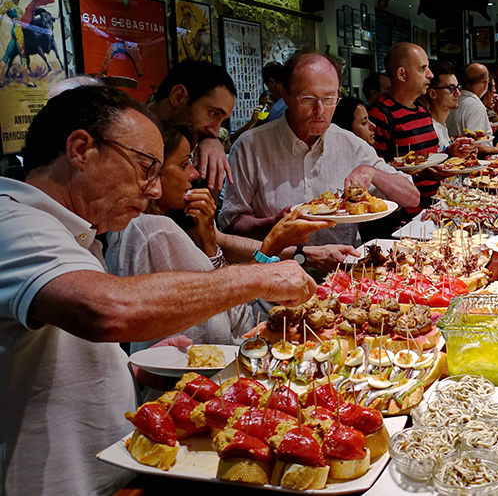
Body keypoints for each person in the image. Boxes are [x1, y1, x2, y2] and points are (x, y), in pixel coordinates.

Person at [0, 85, 316, 495]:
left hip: (116, 471)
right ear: (80, 149)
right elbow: (105, 309)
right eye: (146, 166)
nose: (152, 189)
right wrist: (259, 277)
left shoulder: (76, 233)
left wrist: (120, 369)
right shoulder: (14, 221)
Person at [105, 122, 331, 351]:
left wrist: (210, 242)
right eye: (184, 165)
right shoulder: (156, 231)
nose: (194, 173)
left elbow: (219, 297)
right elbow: (229, 324)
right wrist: (272, 244)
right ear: (154, 172)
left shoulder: (141, 227)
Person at [220, 53, 420, 263]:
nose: (320, 110)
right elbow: (232, 223)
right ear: (285, 96)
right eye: (308, 99)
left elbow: (411, 197)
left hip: (340, 278)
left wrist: (372, 173)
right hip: (274, 277)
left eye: (329, 99)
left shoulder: (350, 145)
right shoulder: (250, 146)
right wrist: (273, 223)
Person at [369, 43, 472, 212]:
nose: (430, 75)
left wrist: (449, 153)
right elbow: (376, 175)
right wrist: (422, 173)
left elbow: (426, 159)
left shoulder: (421, 108)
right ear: (402, 74)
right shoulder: (380, 114)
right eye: (422, 69)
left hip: (433, 207)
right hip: (404, 216)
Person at [146, 60, 236, 191]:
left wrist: (213, 152)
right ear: (178, 96)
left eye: (222, 120)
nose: (216, 132)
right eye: (213, 113)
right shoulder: (121, 136)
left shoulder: (190, 143)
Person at [446, 63, 498, 155]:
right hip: (473, 162)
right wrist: (496, 149)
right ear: (485, 83)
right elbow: (473, 144)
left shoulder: (455, 101)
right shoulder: (476, 106)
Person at [427, 61, 460, 150]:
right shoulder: (430, 130)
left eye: (458, 88)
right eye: (451, 89)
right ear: (433, 94)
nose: (458, 93)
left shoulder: (441, 125)